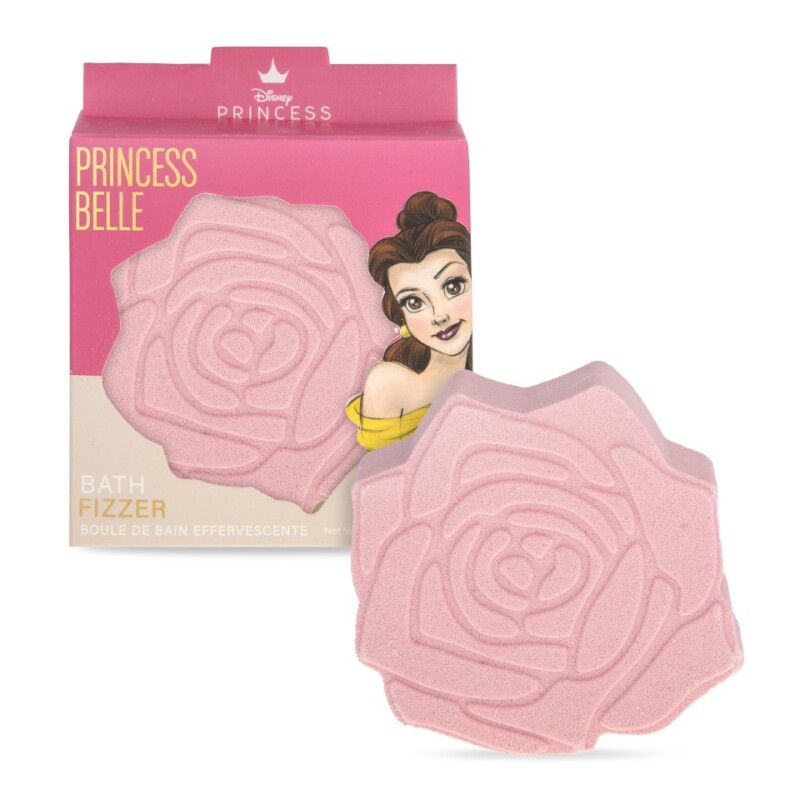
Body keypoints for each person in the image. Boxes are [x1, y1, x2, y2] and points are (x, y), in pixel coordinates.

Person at [346, 191, 472, 450]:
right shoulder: (389, 383)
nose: (439, 315)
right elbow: (376, 471)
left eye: (453, 287)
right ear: (401, 317)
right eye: (415, 303)